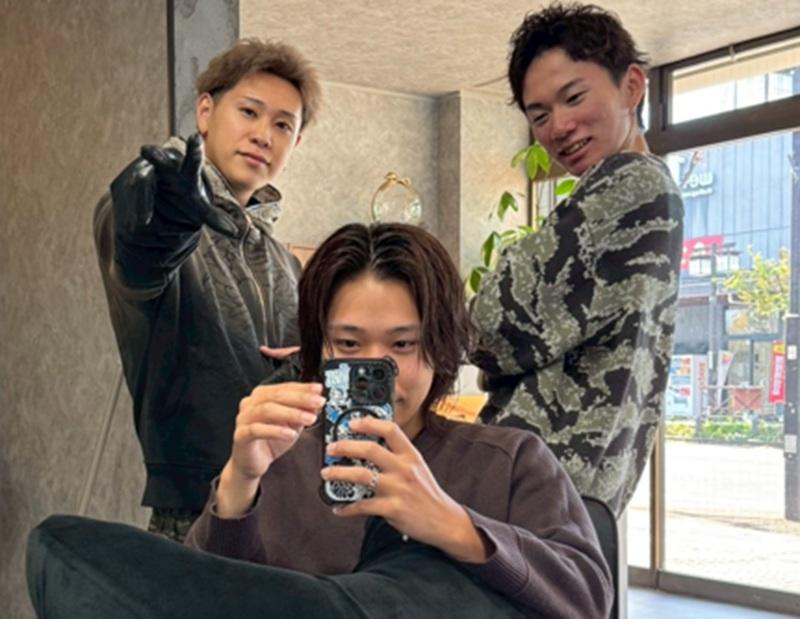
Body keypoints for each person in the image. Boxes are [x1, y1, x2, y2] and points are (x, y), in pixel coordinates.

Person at [29, 223, 612, 618]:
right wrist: (239, 483)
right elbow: (211, 595)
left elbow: (588, 599)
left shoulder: (510, 459)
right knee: (60, 544)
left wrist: (452, 525)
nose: (377, 370)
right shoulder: (283, 456)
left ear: (440, 347)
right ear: (319, 349)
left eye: (403, 345)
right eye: (348, 345)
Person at [94, 38, 321, 541]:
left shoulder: (286, 263)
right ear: (205, 112)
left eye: (283, 125)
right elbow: (142, 256)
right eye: (249, 112)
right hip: (193, 510)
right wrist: (169, 221)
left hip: (286, 508)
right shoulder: (158, 207)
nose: (263, 135)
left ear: (296, 143)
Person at [470, 2, 684, 516]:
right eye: (539, 115)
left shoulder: (631, 185)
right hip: (564, 494)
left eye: (574, 98)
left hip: (537, 490)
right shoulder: (629, 189)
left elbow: (489, 324)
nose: (560, 126)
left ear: (632, 86)